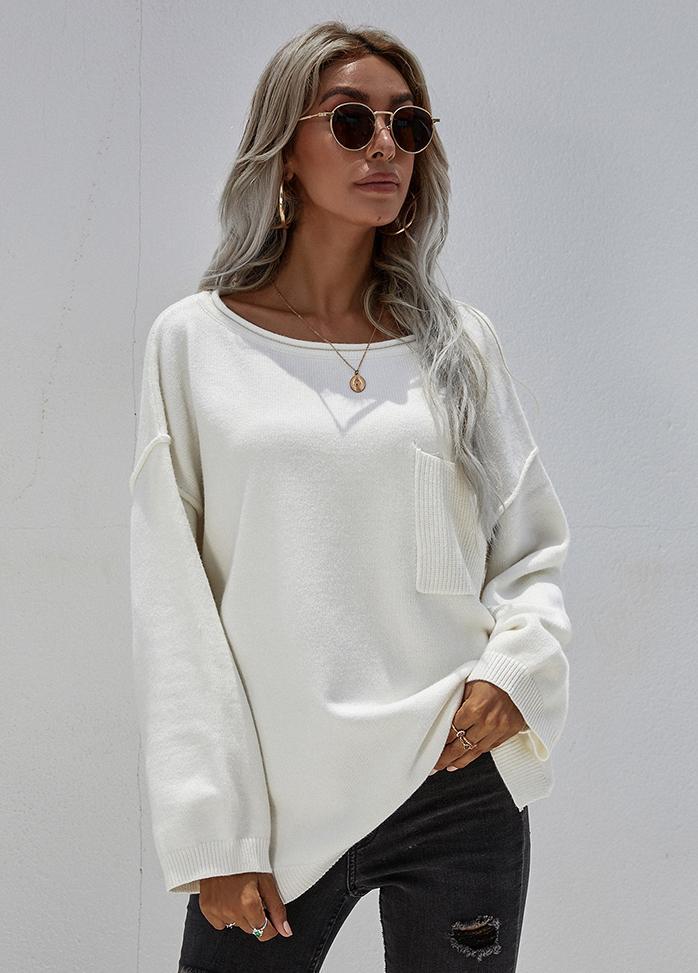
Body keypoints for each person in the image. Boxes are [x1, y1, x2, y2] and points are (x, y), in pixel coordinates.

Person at [129, 21, 572, 973]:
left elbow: (529, 546)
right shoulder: (196, 344)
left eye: (407, 126)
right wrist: (213, 832)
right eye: (351, 120)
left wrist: (516, 671)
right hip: (277, 805)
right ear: (284, 150)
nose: (385, 146)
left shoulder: (459, 346)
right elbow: (175, 607)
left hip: (455, 780)